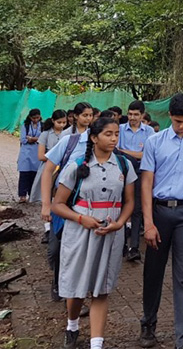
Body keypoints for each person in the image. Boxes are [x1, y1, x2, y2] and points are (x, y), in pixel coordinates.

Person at [51, 118, 136, 349]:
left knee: (101, 288)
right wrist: (82, 219)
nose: (114, 139)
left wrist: (120, 223)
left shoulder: (123, 165)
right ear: (94, 137)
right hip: (79, 232)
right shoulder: (77, 165)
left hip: (110, 234)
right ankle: (72, 324)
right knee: (77, 287)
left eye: (116, 134)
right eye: (108, 134)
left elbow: (129, 202)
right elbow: (57, 204)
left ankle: (96, 344)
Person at [139, 93, 183, 349]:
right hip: (159, 214)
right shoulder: (154, 142)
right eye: (179, 121)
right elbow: (146, 183)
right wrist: (148, 222)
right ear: (169, 116)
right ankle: (148, 324)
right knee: (153, 272)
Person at [41, 102, 94, 302]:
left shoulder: (98, 144)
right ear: (76, 116)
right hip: (62, 203)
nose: (88, 119)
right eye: (85, 115)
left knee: (79, 250)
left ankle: (75, 292)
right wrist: (47, 204)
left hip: (85, 205)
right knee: (56, 249)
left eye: (91, 115)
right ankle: (57, 281)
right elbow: (48, 170)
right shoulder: (68, 140)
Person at [117, 100, 155, 262]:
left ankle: (134, 247)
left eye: (136, 115)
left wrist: (125, 152)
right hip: (121, 173)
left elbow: (148, 154)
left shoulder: (150, 131)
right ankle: (120, 244)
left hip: (141, 173)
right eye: (130, 114)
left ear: (142, 115)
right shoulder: (119, 129)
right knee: (120, 207)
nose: (132, 117)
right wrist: (136, 154)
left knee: (137, 208)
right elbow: (115, 152)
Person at [30, 110, 68, 243]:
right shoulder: (45, 135)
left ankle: (57, 228)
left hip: (62, 170)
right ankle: (47, 229)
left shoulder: (67, 134)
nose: (62, 125)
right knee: (46, 200)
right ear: (52, 121)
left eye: (64, 122)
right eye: (59, 122)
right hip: (48, 169)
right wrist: (56, 155)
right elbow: (41, 156)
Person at [17, 108, 43, 202]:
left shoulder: (43, 126)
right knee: (24, 174)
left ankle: (32, 195)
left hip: (37, 153)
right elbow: (23, 139)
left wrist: (32, 138)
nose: (36, 120)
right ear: (30, 117)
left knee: (34, 175)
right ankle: (22, 196)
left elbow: (43, 139)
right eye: (33, 118)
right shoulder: (25, 125)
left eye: (37, 117)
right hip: (26, 154)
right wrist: (36, 139)